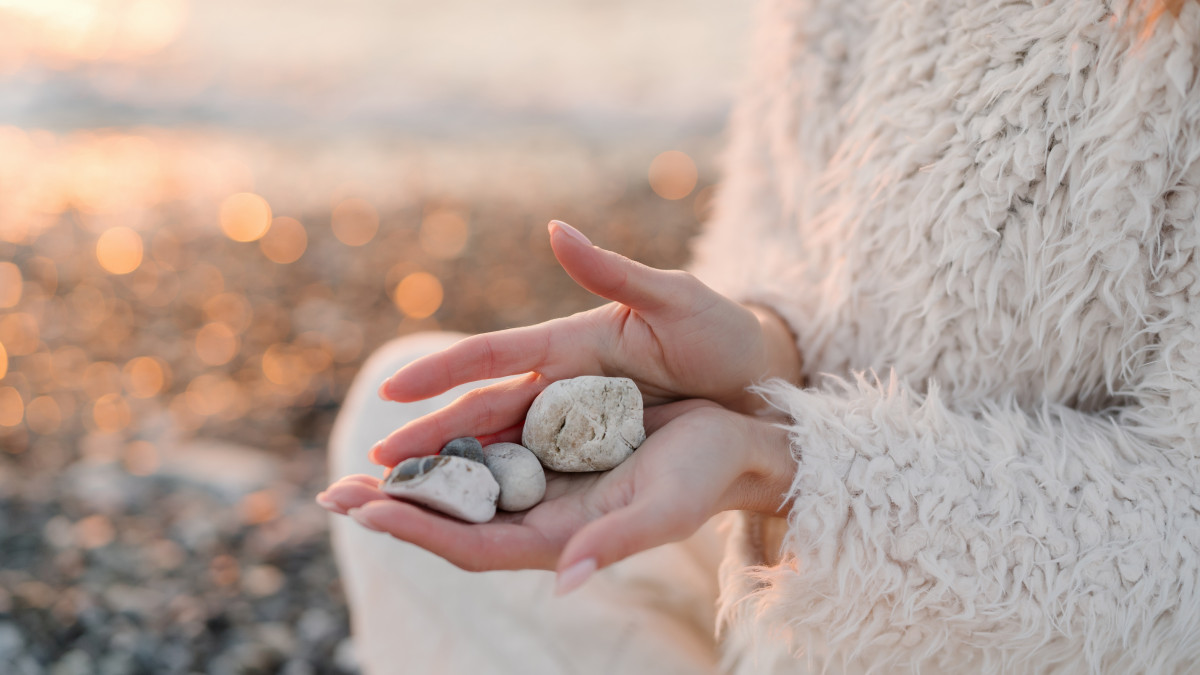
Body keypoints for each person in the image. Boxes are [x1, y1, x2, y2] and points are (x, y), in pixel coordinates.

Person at [318, 0, 1200, 671]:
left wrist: (788, 468)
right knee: (403, 409)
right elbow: (782, 244)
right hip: (775, 539)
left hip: (1038, 608)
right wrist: (756, 351)